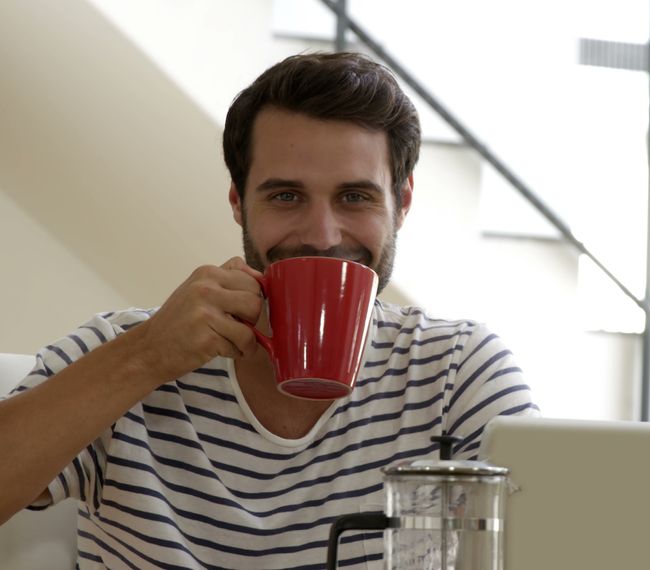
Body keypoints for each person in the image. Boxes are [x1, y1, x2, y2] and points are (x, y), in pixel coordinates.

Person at [0, 52, 538, 568]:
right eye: (286, 196)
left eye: (355, 197)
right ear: (238, 201)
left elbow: (555, 542)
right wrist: (147, 356)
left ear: (402, 203)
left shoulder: (456, 370)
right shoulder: (125, 349)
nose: (323, 237)